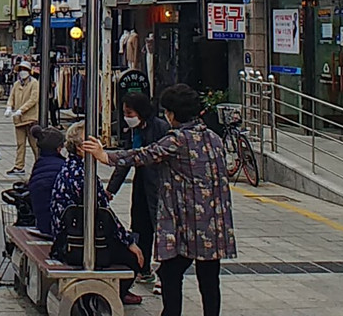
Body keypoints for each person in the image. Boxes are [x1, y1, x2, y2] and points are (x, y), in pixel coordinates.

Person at [83, 84, 236, 316]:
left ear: (172, 114)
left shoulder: (177, 139)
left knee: (170, 273)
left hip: (187, 223)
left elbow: (144, 154)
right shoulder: (214, 138)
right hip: (214, 223)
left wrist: (105, 156)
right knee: (209, 278)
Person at [50, 122, 144, 306]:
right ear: (81, 148)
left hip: (66, 237)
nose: (99, 143)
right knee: (134, 257)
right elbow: (105, 214)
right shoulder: (83, 175)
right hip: (78, 242)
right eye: (93, 140)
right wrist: (129, 242)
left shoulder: (69, 167)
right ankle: (115, 294)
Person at [106, 91, 169, 287]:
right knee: (141, 226)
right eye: (125, 113)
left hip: (159, 185)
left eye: (130, 113)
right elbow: (126, 160)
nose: (127, 117)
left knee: (161, 228)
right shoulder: (134, 131)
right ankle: (143, 268)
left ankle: (165, 275)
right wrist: (111, 189)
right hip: (142, 183)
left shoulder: (160, 128)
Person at [26, 125, 65, 236]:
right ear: (59, 149)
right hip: (57, 227)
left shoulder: (39, 164)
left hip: (42, 223)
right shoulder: (63, 167)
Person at [5, 60, 39, 176]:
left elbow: (33, 99)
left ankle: (39, 164)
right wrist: (9, 107)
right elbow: (11, 97)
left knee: (34, 144)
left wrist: (21, 110)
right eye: (21, 70)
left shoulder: (34, 83)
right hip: (18, 120)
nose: (22, 72)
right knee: (20, 144)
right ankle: (19, 166)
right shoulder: (16, 84)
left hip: (30, 119)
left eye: (24, 70)